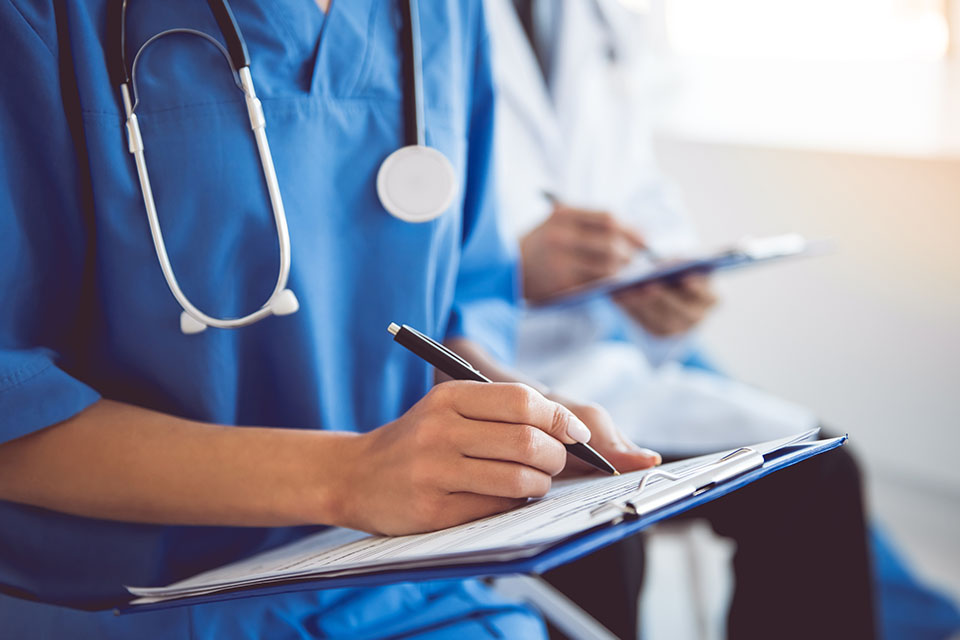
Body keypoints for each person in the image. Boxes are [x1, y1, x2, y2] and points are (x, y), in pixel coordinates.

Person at [0, 1, 661, 638]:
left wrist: (509, 416)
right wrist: (347, 477)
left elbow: (459, 292)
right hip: (129, 605)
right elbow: (12, 411)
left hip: (396, 580)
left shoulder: (447, 12)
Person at [486, 2, 960, 639]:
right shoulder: (429, 25)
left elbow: (637, 194)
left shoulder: (598, 16)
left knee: (817, 463)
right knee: (593, 524)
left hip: (606, 363)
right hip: (496, 373)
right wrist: (509, 267)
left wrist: (668, 287)